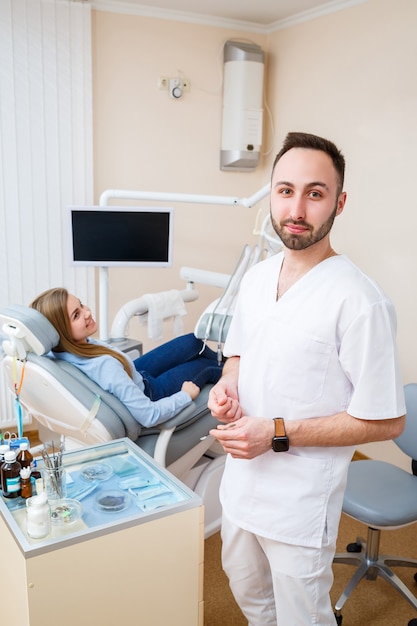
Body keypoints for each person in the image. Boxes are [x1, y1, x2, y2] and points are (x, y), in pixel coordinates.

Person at [208, 132, 406, 626]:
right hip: (240, 485)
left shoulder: (359, 301)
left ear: (338, 203)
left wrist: (274, 432)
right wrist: (228, 384)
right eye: (285, 190)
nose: (296, 207)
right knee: (250, 595)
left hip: (299, 500)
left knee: (302, 616)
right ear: (271, 194)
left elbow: (386, 422)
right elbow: (238, 354)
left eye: (314, 193)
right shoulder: (257, 277)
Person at [31, 287, 223, 428]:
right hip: (151, 392)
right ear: (60, 332)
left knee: (193, 341)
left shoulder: (56, 349)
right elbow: (149, 415)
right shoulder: (105, 366)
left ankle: (222, 360)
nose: (87, 312)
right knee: (205, 366)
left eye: (81, 305)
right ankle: (233, 369)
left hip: (135, 374)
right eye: (76, 315)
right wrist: (184, 396)